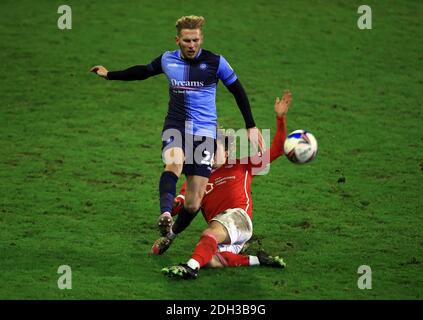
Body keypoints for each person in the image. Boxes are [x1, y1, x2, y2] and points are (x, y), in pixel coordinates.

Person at [90, 15, 265, 240]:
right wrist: (109, 75)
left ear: (201, 39)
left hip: (204, 133)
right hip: (177, 126)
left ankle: (170, 235)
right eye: (186, 41)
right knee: (173, 162)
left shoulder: (216, 62)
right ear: (177, 41)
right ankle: (165, 213)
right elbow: (142, 71)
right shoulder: (167, 60)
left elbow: (237, 90)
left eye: (195, 40)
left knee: (193, 203)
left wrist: (250, 125)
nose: (191, 45)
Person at [158, 90, 292, 279]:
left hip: (238, 218)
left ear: (227, 151)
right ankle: (258, 260)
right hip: (226, 231)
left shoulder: (242, 165)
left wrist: (280, 118)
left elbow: (278, 149)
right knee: (211, 259)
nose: (209, 154)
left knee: (209, 234)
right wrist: (167, 215)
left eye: (215, 149)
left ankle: (190, 267)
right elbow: (179, 206)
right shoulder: (196, 179)